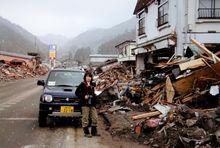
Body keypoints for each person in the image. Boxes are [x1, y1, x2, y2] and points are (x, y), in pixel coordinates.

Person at [75, 72, 100, 138]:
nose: (88, 78)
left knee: (95, 118)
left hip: (92, 103)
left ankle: (94, 132)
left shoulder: (93, 84)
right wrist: (83, 96)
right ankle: (86, 133)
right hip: (84, 104)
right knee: (85, 118)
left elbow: (95, 93)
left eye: (90, 76)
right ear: (85, 77)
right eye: (87, 76)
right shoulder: (82, 84)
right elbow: (76, 93)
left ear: (91, 78)